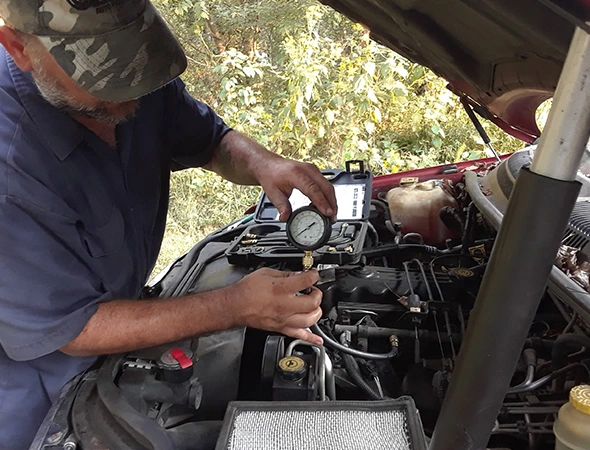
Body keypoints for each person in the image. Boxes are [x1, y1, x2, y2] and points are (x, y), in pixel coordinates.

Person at [0, 0, 338, 447]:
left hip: (118, 332)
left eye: (135, 63)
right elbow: (72, 328)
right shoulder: (11, 168)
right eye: (104, 76)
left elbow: (211, 142)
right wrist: (234, 306)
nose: (129, 91)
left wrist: (262, 162)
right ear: (18, 48)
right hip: (41, 395)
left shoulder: (136, 78)